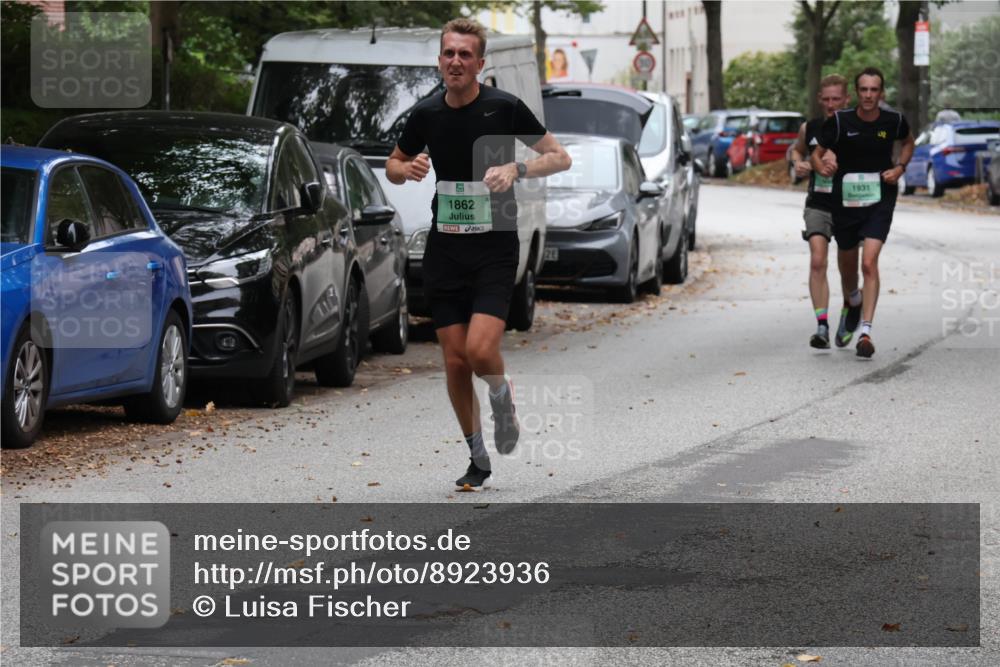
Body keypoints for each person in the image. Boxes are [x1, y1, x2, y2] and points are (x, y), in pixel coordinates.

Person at [386, 18, 572, 488]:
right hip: (445, 246)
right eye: (449, 53)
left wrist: (516, 167)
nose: (456, 62)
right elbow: (392, 164)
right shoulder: (427, 113)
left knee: (480, 350)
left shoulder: (503, 108)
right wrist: (407, 168)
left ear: (480, 64)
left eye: (465, 55)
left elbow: (560, 156)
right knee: (452, 361)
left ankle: (500, 393)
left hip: (494, 246)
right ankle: (477, 457)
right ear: (440, 60)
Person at [811, 67, 915, 358]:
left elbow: (908, 142)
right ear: (857, 93)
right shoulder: (841, 121)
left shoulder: (893, 120)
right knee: (847, 264)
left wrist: (900, 168)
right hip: (845, 200)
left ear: (882, 93)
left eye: (874, 90)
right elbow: (816, 154)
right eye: (864, 90)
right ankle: (852, 300)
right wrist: (823, 168)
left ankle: (865, 332)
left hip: (880, 198)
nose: (869, 95)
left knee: (869, 262)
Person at [790, 74, 862, 349]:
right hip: (818, 204)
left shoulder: (857, 127)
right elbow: (797, 152)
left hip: (849, 205)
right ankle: (821, 325)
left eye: (837, 99)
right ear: (820, 100)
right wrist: (801, 163)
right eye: (827, 99)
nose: (832, 104)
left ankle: (851, 305)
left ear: (846, 99)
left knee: (848, 270)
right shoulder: (811, 128)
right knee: (817, 260)